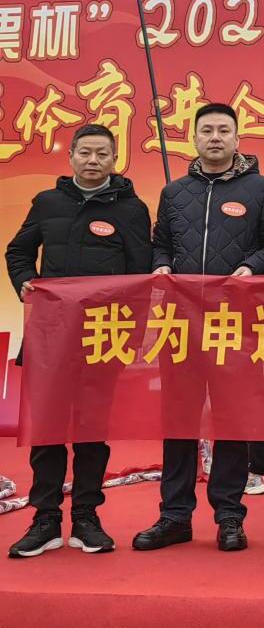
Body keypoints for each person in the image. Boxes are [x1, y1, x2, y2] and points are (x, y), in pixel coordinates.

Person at [133, 103, 264, 553]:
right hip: (180, 323)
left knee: (232, 418)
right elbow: (160, 243)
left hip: (234, 322)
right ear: (195, 138)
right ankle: (174, 516)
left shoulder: (262, 189)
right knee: (178, 419)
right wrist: (162, 265)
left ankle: (229, 515)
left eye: (223, 130)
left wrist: (250, 266)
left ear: (237, 138)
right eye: (207, 130)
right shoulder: (175, 192)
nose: (215, 137)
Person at [5, 124, 152, 558]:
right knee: (46, 430)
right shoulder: (48, 202)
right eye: (85, 152)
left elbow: (141, 274)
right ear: (70, 156)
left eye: (102, 154)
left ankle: (86, 517)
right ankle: (45, 519)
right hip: (50, 335)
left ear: (114, 159)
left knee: (91, 431)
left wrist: (129, 337)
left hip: (102, 337)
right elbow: (18, 251)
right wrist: (25, 281)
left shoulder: (132, 209)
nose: (93, 160)